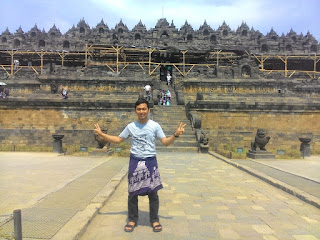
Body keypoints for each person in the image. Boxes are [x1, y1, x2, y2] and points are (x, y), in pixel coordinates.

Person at [94, 99, 186, 233]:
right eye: (139, 109)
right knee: (132, 192)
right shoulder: (131, 126)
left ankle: (154, 219)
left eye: (144, 109)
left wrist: (175, 135)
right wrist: (102, 134)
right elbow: (119, 140)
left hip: (150, 161)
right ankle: (132, 219)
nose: (141, 112)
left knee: (153, 193)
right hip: (135, 160)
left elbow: (165, 142)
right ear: (135, 111)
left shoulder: (155, 126)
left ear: (148, 110)